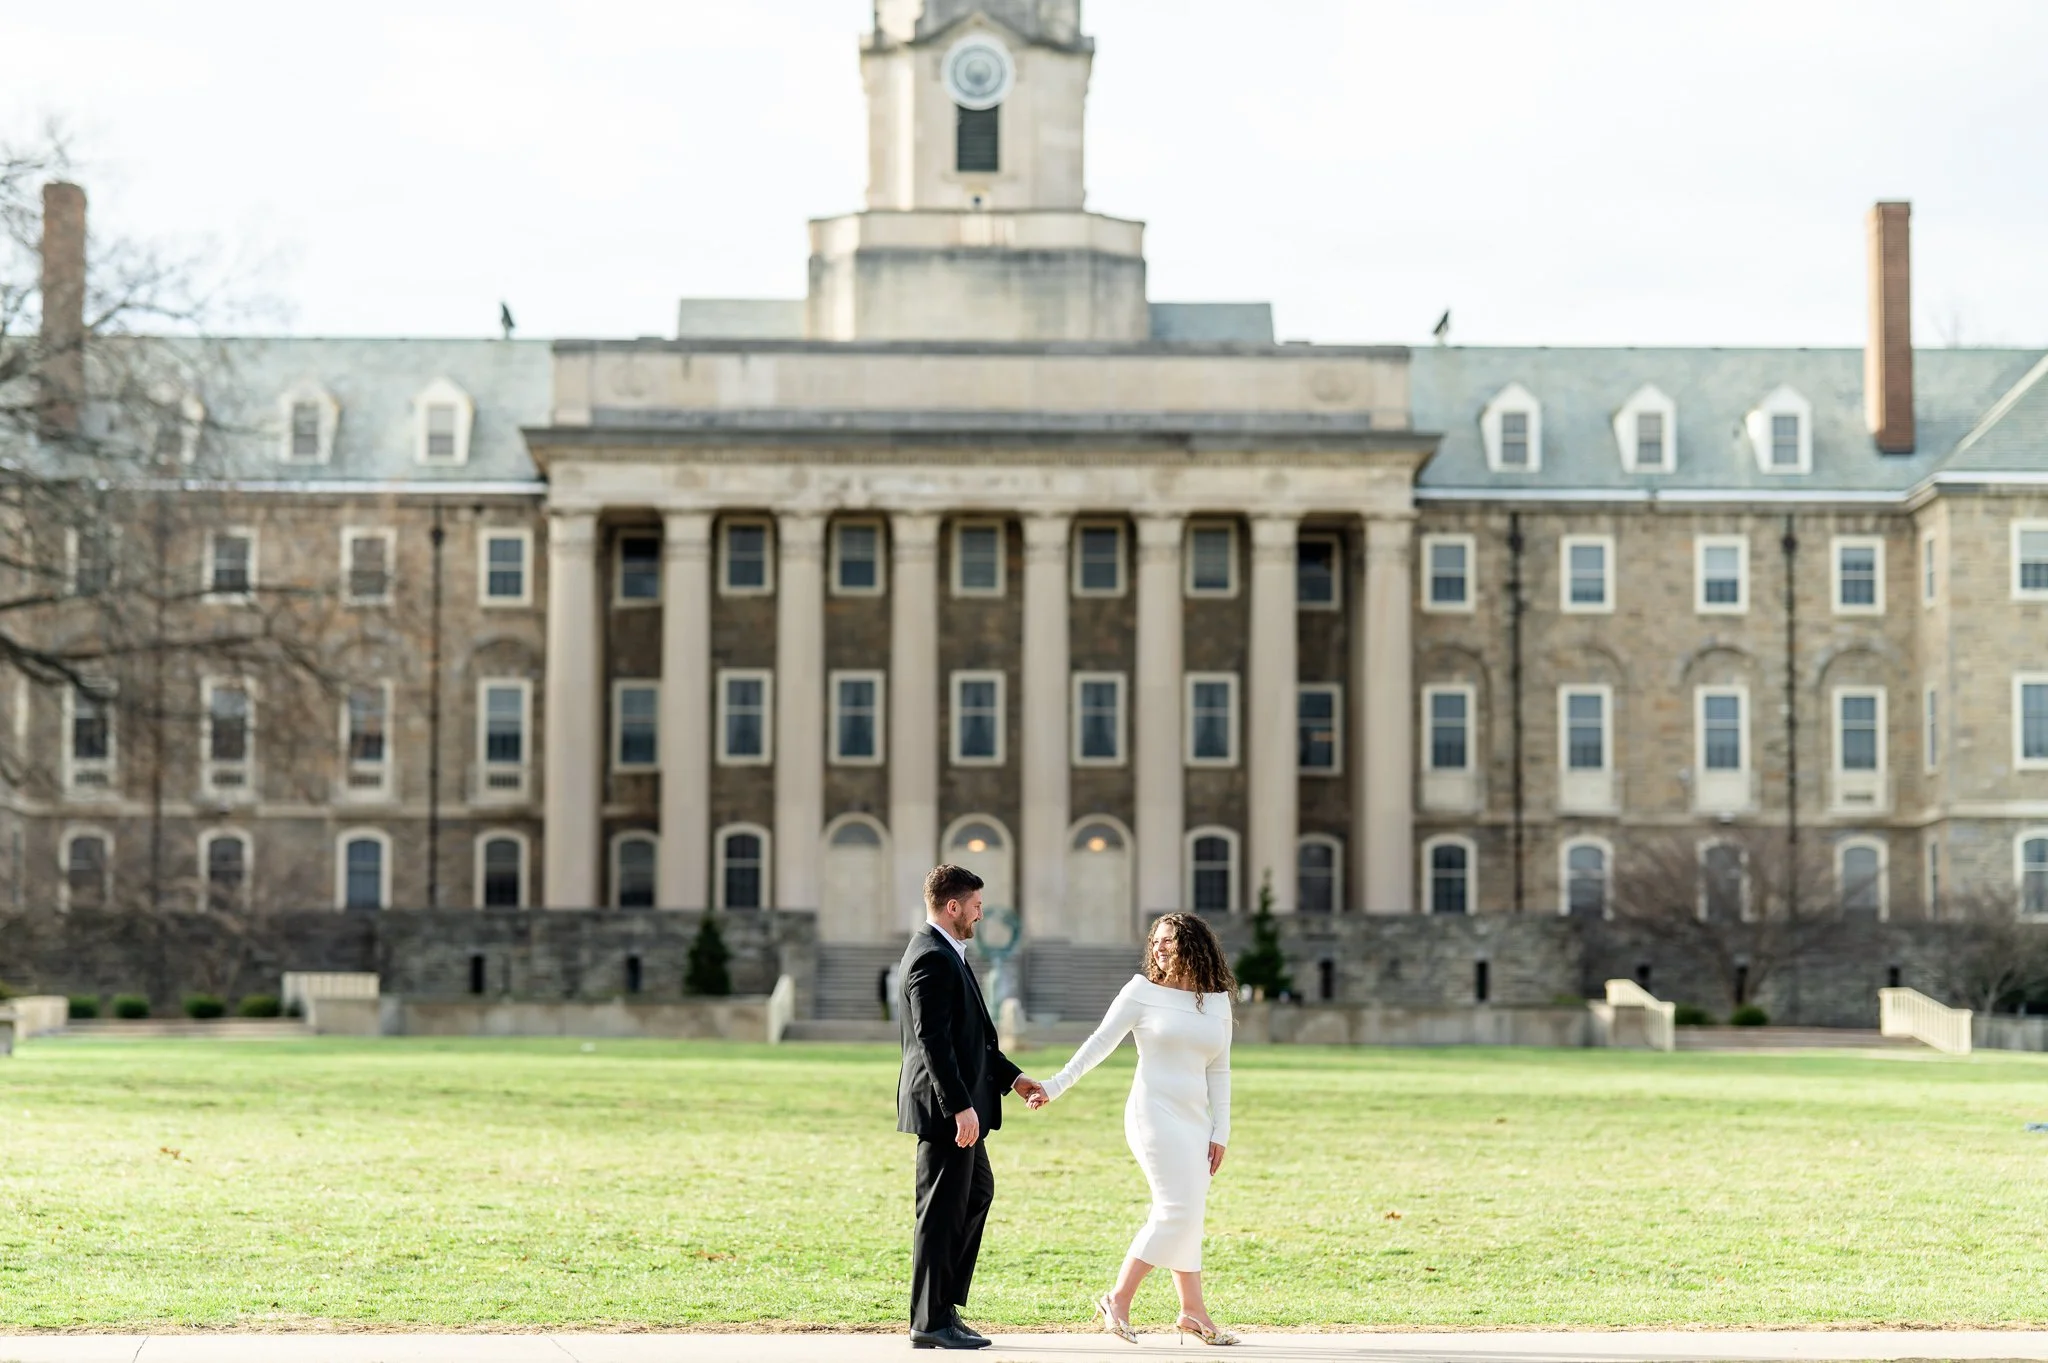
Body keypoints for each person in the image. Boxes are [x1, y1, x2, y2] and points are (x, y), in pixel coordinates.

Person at [1027, 911, 1239, 1346]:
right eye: (1155, 941)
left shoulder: (1217, 1001)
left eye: (1169, 940)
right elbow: (1097, 1045)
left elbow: (1220, 1071)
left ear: (1194, 946)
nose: (1159, 947)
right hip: (1153, 1114)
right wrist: (1054, 1085)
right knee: (1176, 1208)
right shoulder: (1141, 993)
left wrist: (1222, 1131)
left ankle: (1193, 1311)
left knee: (1189, 1211)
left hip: (1197, 1120)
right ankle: (1117, 1299)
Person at [896, 864, 1045, 1350]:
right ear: (953, 906)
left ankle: (942, 1310)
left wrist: (1015, 1078)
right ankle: (929, 1322)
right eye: (977, 906)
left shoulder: (949, 954)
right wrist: (960, 1107)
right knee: (940, 1213)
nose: (981, 915)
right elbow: (933, 1042)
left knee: (976, 1193)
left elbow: (972, 1043)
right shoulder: (930, 958)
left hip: (962, 1108)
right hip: (946, 1113)